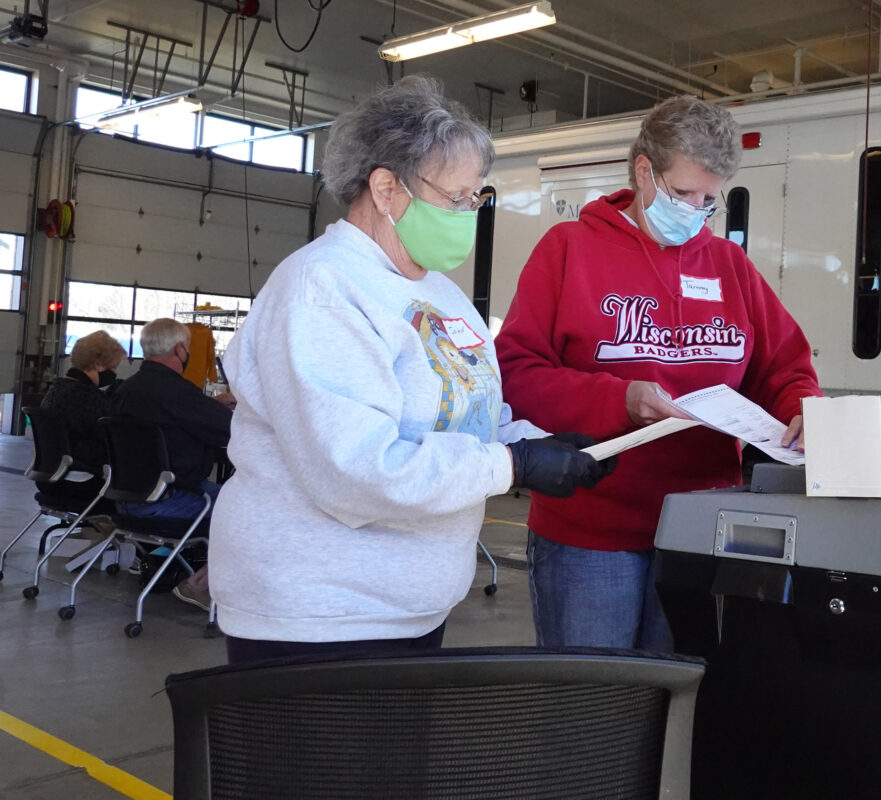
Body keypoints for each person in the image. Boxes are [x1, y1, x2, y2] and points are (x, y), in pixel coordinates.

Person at [207, 76, 613, 664]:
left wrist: (540, 443)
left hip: (408, 606)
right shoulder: (321, 288)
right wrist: (514, 465)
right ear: (386, 188)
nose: (469, 213)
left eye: (476, 198)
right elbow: (353, 471)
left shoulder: (440, 293)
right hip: (321, 615)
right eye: (456, 198)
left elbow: (470, 417)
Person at [495, 95, 822, 652]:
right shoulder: (569, 249)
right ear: (644, 171)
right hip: (592, 533)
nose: (695, 212)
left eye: (709, 200)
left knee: (675, 708)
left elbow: (784, 365)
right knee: (596, 710)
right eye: (682, 193)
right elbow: (516, 372)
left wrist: (800, 408)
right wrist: (618, 400)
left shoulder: (728, 266)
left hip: (699, 527)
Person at [110, 318, 235, 611]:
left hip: (126, 499)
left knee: (230, 498)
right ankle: (201, 585)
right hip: (170, 500)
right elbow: (229, 429)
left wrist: (209, 406)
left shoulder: (126, 390)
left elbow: (174, 420)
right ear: (180, 350)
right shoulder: (178, 392)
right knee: (251, 509)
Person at [40, 330, 126, 485]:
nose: (114, 373)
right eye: (113, 367)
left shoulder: (54, 391)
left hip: (50, 479)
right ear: (98, 364)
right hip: (82, 482)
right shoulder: (90, 399)